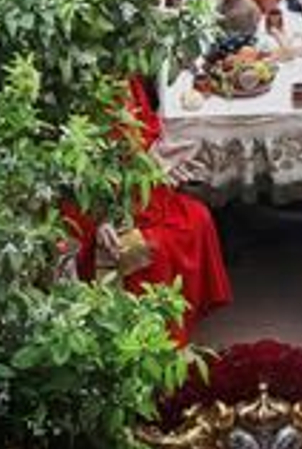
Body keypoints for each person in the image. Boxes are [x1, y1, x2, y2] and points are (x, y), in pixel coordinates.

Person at [63, 77, 232, 345]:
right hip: (97, 204)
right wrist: (101, 217)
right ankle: (146, 343)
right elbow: (75, 172)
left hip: (139, 190)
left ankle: (176, 329)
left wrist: (164, 159)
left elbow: (148, 134)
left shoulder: (126, 79)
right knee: (154, 247)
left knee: (197, 216)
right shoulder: (78, 90)